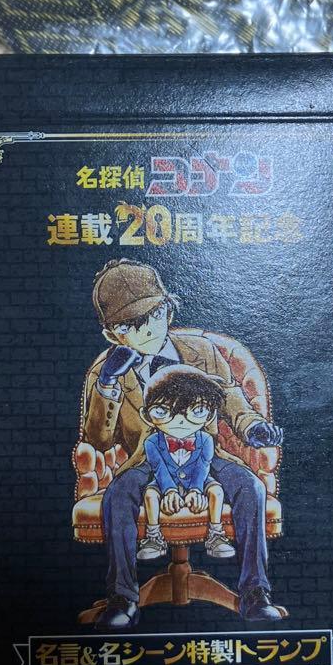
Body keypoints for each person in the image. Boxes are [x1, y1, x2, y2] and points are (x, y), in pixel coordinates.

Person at [82, 258, 284, 629]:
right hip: (147, 458)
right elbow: (98, 439)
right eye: (129, 325)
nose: (146, 330)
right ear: (112, 334)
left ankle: (255, 594)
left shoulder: (202, 351)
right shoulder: (107, 371)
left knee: (250, 488)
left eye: (154, 316)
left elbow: (231, 397)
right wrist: (108, 384)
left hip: (205, 453)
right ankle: (122, 598)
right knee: (118, 496)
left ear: (168, 311)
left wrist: (253, 427)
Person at [137, 364, 235, 562]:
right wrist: (169, 491)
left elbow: (203, 467)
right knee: (150, 494)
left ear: (210, 415)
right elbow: (159, 469)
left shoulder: (205, 440)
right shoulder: (152, 442)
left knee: (216, 491)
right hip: (166, 482)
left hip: (198, 481)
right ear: (147, 416)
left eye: (197, 410)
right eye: (163, 411)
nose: (180, 420)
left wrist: (196, 490)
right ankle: (154, 537)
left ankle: (216, 534)